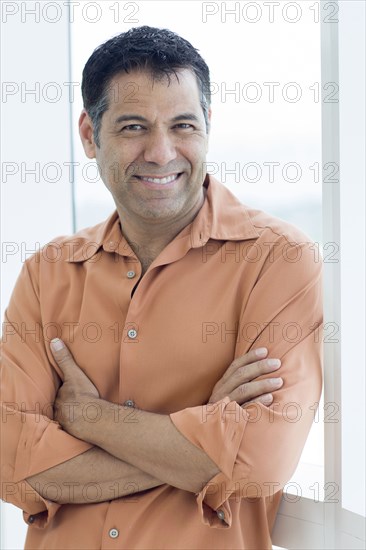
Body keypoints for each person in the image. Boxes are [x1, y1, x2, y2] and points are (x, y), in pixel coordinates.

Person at [1, 26, 323, 550]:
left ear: (209, 126)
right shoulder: (47, 273)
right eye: (133, 127)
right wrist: (200, 437)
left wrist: (90, 418)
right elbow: (13, 466)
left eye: (183, 125)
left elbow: (259, 461)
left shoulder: (278, 259)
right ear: (89, 134)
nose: (161, 152)